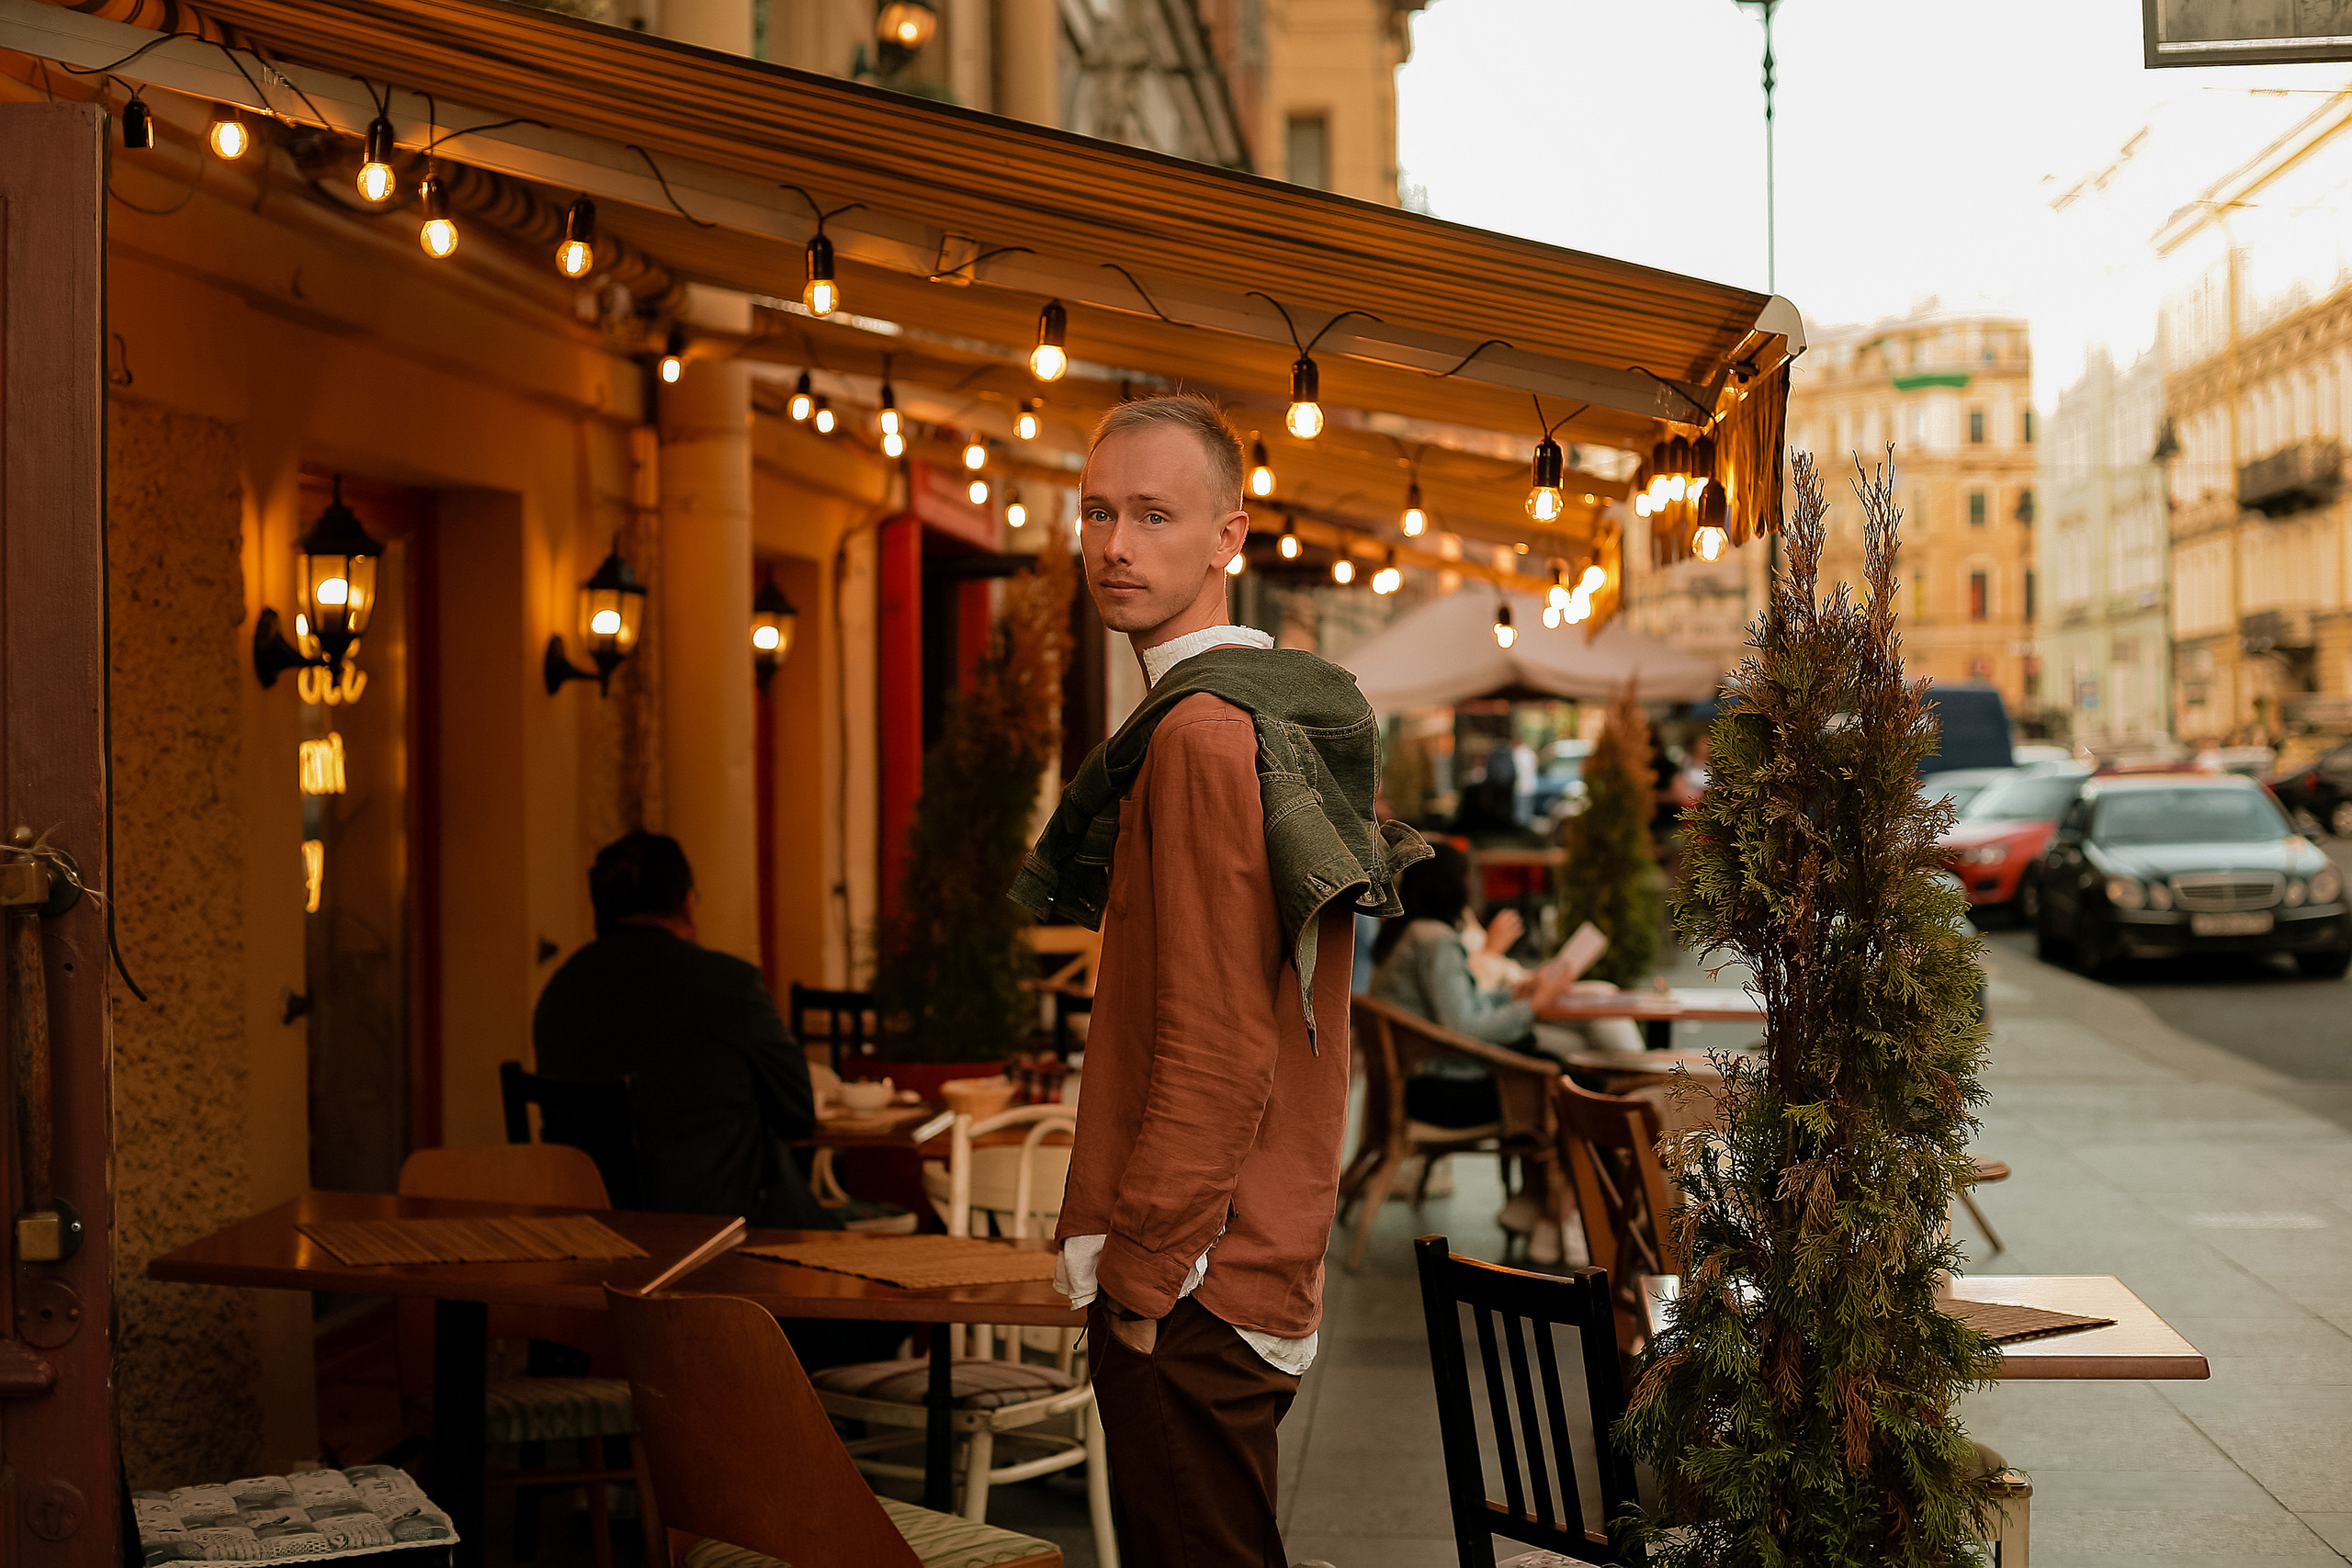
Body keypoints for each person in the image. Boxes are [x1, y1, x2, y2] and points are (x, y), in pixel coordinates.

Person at [1010, 393, 1426, 1567]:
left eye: (1152, 515)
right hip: (1247, 1257)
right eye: (1097, 513)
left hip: (1193, 1282)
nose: (1114, 545)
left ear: (1227, 538)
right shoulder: (1263, 717)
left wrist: (1142, 1280)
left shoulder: (1197, 737)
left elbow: (1217, 1039)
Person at [532, 830, 834, 1233]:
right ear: (688, 905)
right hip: (716, 1245)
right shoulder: (730, 986)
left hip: (590, 1239)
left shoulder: (559, 994)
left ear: (598, 912)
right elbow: (798, 1111)